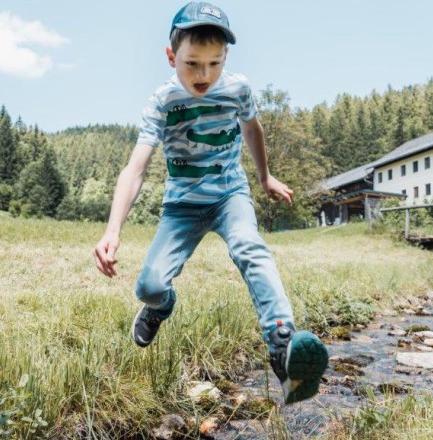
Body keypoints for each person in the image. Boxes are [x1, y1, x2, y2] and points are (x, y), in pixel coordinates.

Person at [92, 1, 328, 404]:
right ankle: (159, 307)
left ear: (226, 58)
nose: (204, 75)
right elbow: (135, 169)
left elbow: (253, 129)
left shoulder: (237, 88)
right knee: (149, 286)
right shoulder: (162, 102)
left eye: (214, 63)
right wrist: (112, 231)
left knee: (249, 247)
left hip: (229, 195)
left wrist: (264, 177)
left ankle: (281, 341)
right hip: (181, 207)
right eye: (193, 63)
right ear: (171, 56)